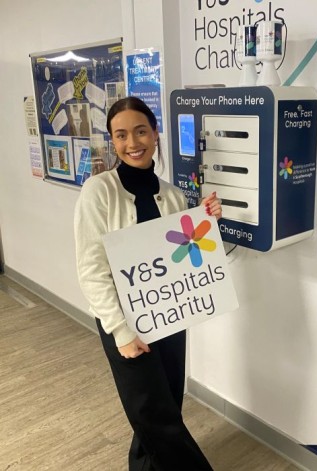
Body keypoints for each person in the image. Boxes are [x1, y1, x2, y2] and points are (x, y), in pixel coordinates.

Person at [74, 96, 220, 470]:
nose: (132, 142)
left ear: (155, 135)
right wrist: (120, 331)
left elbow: (187, 253)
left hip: (168, 316)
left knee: (167, 401)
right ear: (112, 141)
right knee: (151, 412)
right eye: (121, 135)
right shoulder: (99, 191)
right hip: (124, 322)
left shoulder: (172, 195)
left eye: (141, 131)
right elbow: (91, 268)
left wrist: (207, 220)